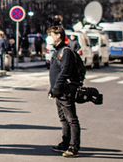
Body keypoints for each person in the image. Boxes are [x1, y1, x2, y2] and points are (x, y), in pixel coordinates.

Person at [48, 26, 80, 158]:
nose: (50, 37)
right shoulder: (57, 50)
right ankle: (65, 142)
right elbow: (55, 72)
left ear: (59, 36)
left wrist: (56, 88)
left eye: (52, 34)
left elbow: (64, 72)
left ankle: (73, 147)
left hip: (65, 91)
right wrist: (52, 89)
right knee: (63, 119)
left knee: (71, 119)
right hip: (58, 91)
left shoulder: (65, 51)